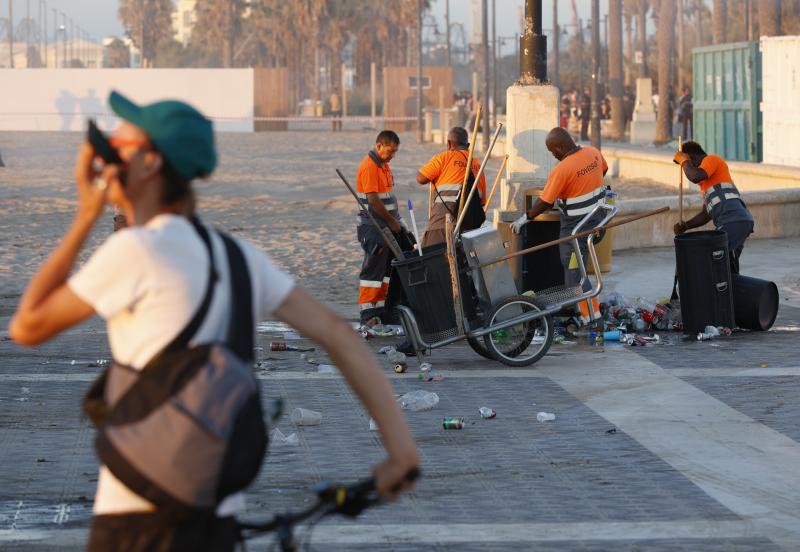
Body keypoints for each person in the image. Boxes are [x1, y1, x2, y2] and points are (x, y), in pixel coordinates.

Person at [8, 92, 419, 550]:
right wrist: (400, 450)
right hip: (216, 520)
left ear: (148, 164)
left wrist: (86, 214)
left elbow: (27, 326)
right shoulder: (239, 256)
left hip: (136, 520)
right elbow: (337, 335)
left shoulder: (133, 252)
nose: (107, 162)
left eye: (117, 151)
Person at [511, 127, 610, 325]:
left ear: (559, 146)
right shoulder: (593, 153)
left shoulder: (562, 169)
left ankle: (592, 317)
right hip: (599, 221)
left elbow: (546, 201)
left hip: (577, 229)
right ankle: (578, 308)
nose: (553, 155)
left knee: (575, 272)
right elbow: (603, 170)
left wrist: (525, 218)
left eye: (552, 151)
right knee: (578, 267)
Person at [673, 141, 754, 274]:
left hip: (734, 221)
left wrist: (683, 160)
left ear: (691, 158)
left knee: (716, 259)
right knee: (725, 266)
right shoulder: (707, 183)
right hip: (734, 223)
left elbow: (694, 176)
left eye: (687, 164)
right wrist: (686, 226)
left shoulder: (712, 160)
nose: (685, 169)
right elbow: (706, 214)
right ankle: (730, 292)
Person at [356, 130, 405, 327]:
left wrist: (398, 221)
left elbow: (387, 198)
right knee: (373, 273)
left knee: (386, 271)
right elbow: (373, 200)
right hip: (373, 227)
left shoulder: (384, 166)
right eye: (390, 151)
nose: (392, 155)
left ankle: (381, 311)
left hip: (386, 226)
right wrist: (391, 222)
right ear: (379, 146)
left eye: (395, 152)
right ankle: (368, 315)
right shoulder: (369, 166)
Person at [415, 127, 487, 248]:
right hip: (469, 228)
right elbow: (482, 203)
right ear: (468, 145)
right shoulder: (478, 167)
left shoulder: (444, 157)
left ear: (448, 144)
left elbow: (420, 178)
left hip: (442, 223)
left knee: (431, 258)